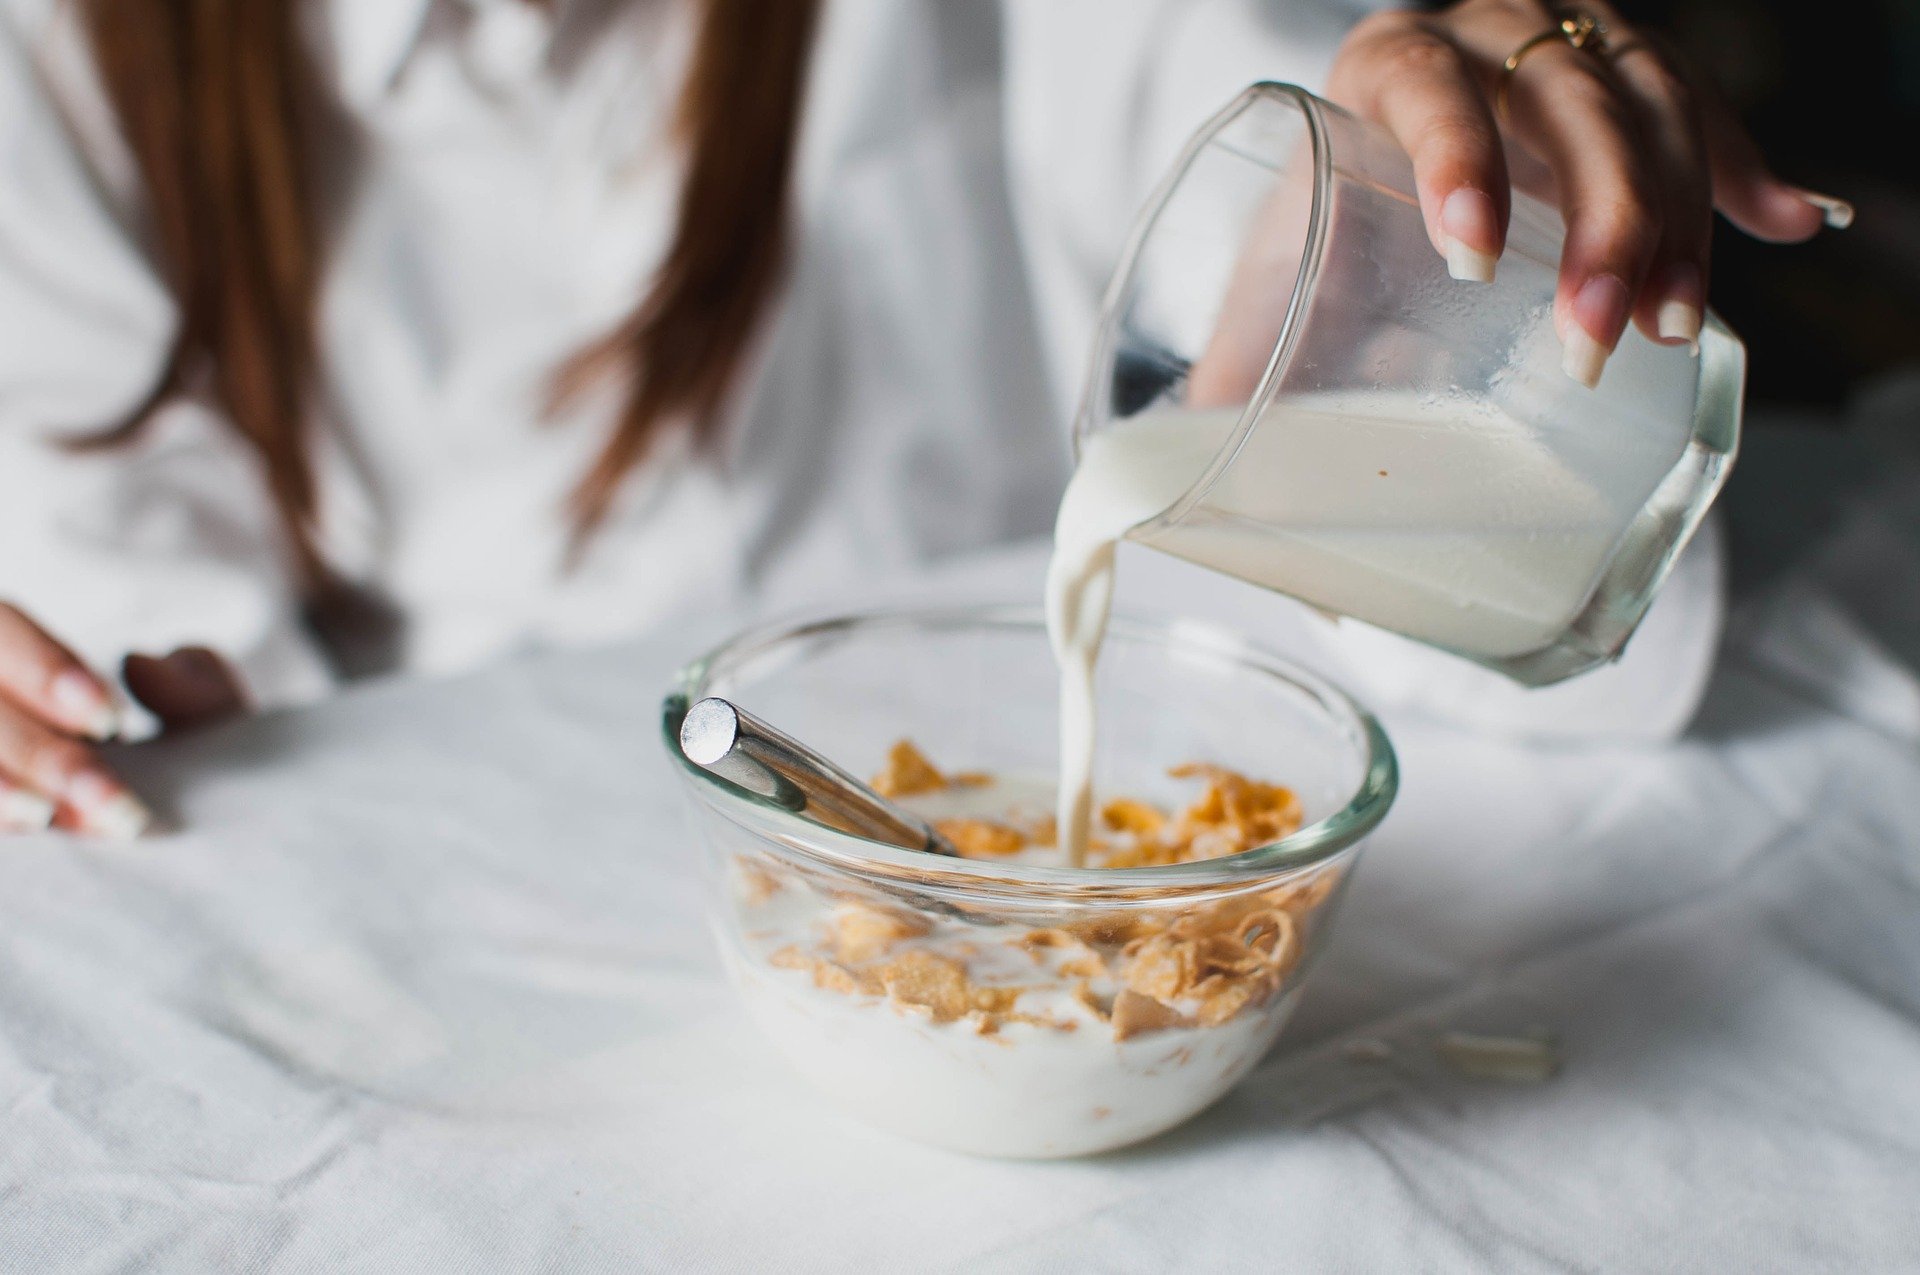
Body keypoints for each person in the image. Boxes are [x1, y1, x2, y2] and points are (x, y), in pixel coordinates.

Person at [0, 0, 1846, 837]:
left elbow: (1586, 649)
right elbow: (172, 696)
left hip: (1087, 767)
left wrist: (1470, 262)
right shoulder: (63, 59)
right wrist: (116, 725)